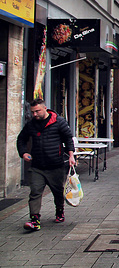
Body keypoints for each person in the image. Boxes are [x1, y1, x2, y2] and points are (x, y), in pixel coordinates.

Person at [17, 99, 76, 231]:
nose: (35, 114)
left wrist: (71, 155)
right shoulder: (31, 124)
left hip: (56, 165)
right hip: (37, 166)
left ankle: (60, 211)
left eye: (37, 111)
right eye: (33, 112)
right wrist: (23, 153)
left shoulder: (58, 122)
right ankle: (35, 220)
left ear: (45, 109)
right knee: (35, 192)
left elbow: (68, 138)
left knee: (58, 192)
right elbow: (21, 139)